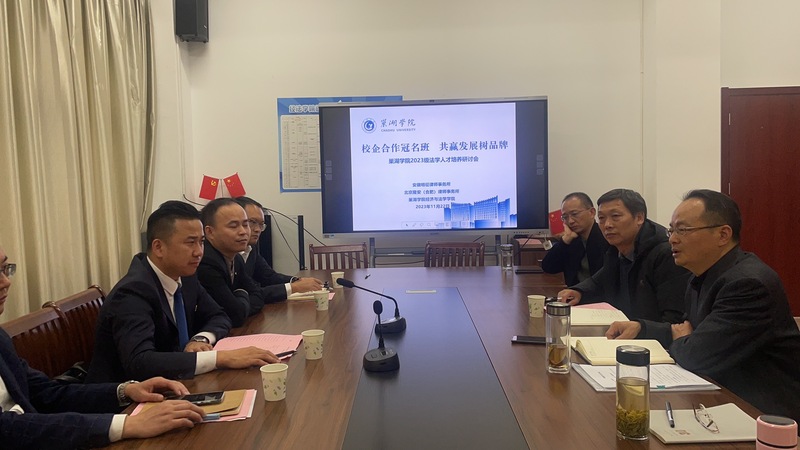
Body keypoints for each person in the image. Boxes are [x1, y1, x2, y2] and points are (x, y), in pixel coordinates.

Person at [605, 190, 800, 424]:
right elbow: (688, 331)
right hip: (719, 396)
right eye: (671, 230)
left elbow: (696, 355)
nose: (672, 239)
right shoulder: (701, 275)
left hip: (764, 414)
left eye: (683, 230)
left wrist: (686, 339)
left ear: (723, 234)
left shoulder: (747, 284)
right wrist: (641, 327)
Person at [0, 245, 208, 449]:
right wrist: (125, 425)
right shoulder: (133, 290)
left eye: (4, 268)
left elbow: (46, 394)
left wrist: (126, 391)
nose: (6, 281)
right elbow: (6, 428)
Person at [87, 201, 279, 383]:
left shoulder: (185, 277)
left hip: (177, 381)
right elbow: (140, 362)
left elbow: (219, 315)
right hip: (129, 397)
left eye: (201, 242)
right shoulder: (132, 292)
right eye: (190, 243)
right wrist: (220, 358)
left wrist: (200, 339)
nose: (199, 252)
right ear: (158, 247)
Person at [557, 189, 688, 322]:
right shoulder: (616, 247)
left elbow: (674, 319)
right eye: (601, 218)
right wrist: (579, 291)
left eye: (615, 216)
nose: (607, 225)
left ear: (639, 218)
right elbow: (600, 279)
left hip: (647, 333)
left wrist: (640, 328)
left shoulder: (665, 253)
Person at [196, 198, 270, 327]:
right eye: (233, 226)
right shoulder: (206, 262)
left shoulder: (236, 258)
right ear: (210, 232)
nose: (243, 232)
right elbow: (235, 314)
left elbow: (258, 296)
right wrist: (242, 292)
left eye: (245, 225)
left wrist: (239, 298)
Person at [234, 196, 323, 301]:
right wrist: (293, 287)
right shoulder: (225, 256)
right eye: (252, 222)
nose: (258, 229)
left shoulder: (251, 248)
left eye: (261, 224)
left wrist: (297, 281)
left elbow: (268, 276)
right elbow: (250, 295)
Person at [541, 192, 609, 285]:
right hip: (574, 292)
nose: (570, 221)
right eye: (565, 217)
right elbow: (548, 267)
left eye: (575, 214)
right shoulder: (572, 241)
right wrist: (565, 241)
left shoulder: (606, 238)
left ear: (592, 212)